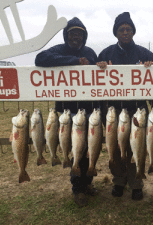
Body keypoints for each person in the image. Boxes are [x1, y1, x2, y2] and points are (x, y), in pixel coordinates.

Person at [35, 17, 98, 207]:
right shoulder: (58, 50)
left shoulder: (90, 52)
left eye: (79, 33)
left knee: (85, 150)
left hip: (86, 111)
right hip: (64, 114)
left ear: (84, 36)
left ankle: (87, 184)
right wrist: (74, 61)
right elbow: (40, 59)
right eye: (72, 33)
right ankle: (77, 189)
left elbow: (99, 74)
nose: (76, 37)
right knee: (73, 151)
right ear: (66, 35)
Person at [97, 12, 153, 201]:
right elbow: (93, 78)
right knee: (115, 147)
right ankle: (118, 181)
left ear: (133, 32)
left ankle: (136, 182)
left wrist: (152, 65)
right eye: (121, 29)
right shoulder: (106, 54)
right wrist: (98, 66)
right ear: (116, 33)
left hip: (138, 109)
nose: (125, 32)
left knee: (137, 147)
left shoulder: (144, 53)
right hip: (114, 111)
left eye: (128, 29)